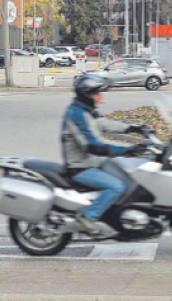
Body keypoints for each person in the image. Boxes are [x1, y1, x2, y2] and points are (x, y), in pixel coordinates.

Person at [61, 73, 149, 235]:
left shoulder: (86, 111)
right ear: (87, 94)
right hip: (81, 168)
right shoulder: (77, 115)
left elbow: (105, 124)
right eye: (97, 94)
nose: (100, 98)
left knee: (130, 175)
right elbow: (92, 146)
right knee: (116, 186)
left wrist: (134, 128)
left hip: (94, 163)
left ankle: (116, 216)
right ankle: (87, 218)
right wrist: (127, 150)